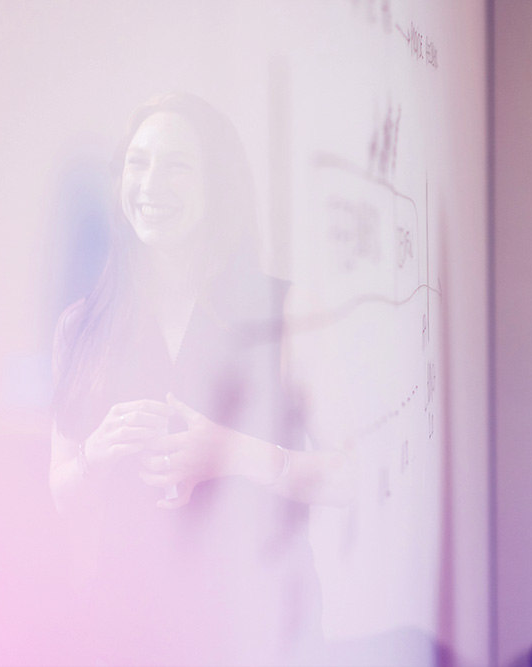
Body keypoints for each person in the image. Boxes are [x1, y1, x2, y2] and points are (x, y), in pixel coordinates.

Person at [49, 92, 351, 665]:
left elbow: (352, 476)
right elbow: (61, 491)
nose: (151, 183)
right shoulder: (80, 325)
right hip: (124, 625)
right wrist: (96, 450)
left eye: (178, 166)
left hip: (259, 624)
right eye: (138, 163)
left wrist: (232, 452)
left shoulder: (289, 312)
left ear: (220, 187)